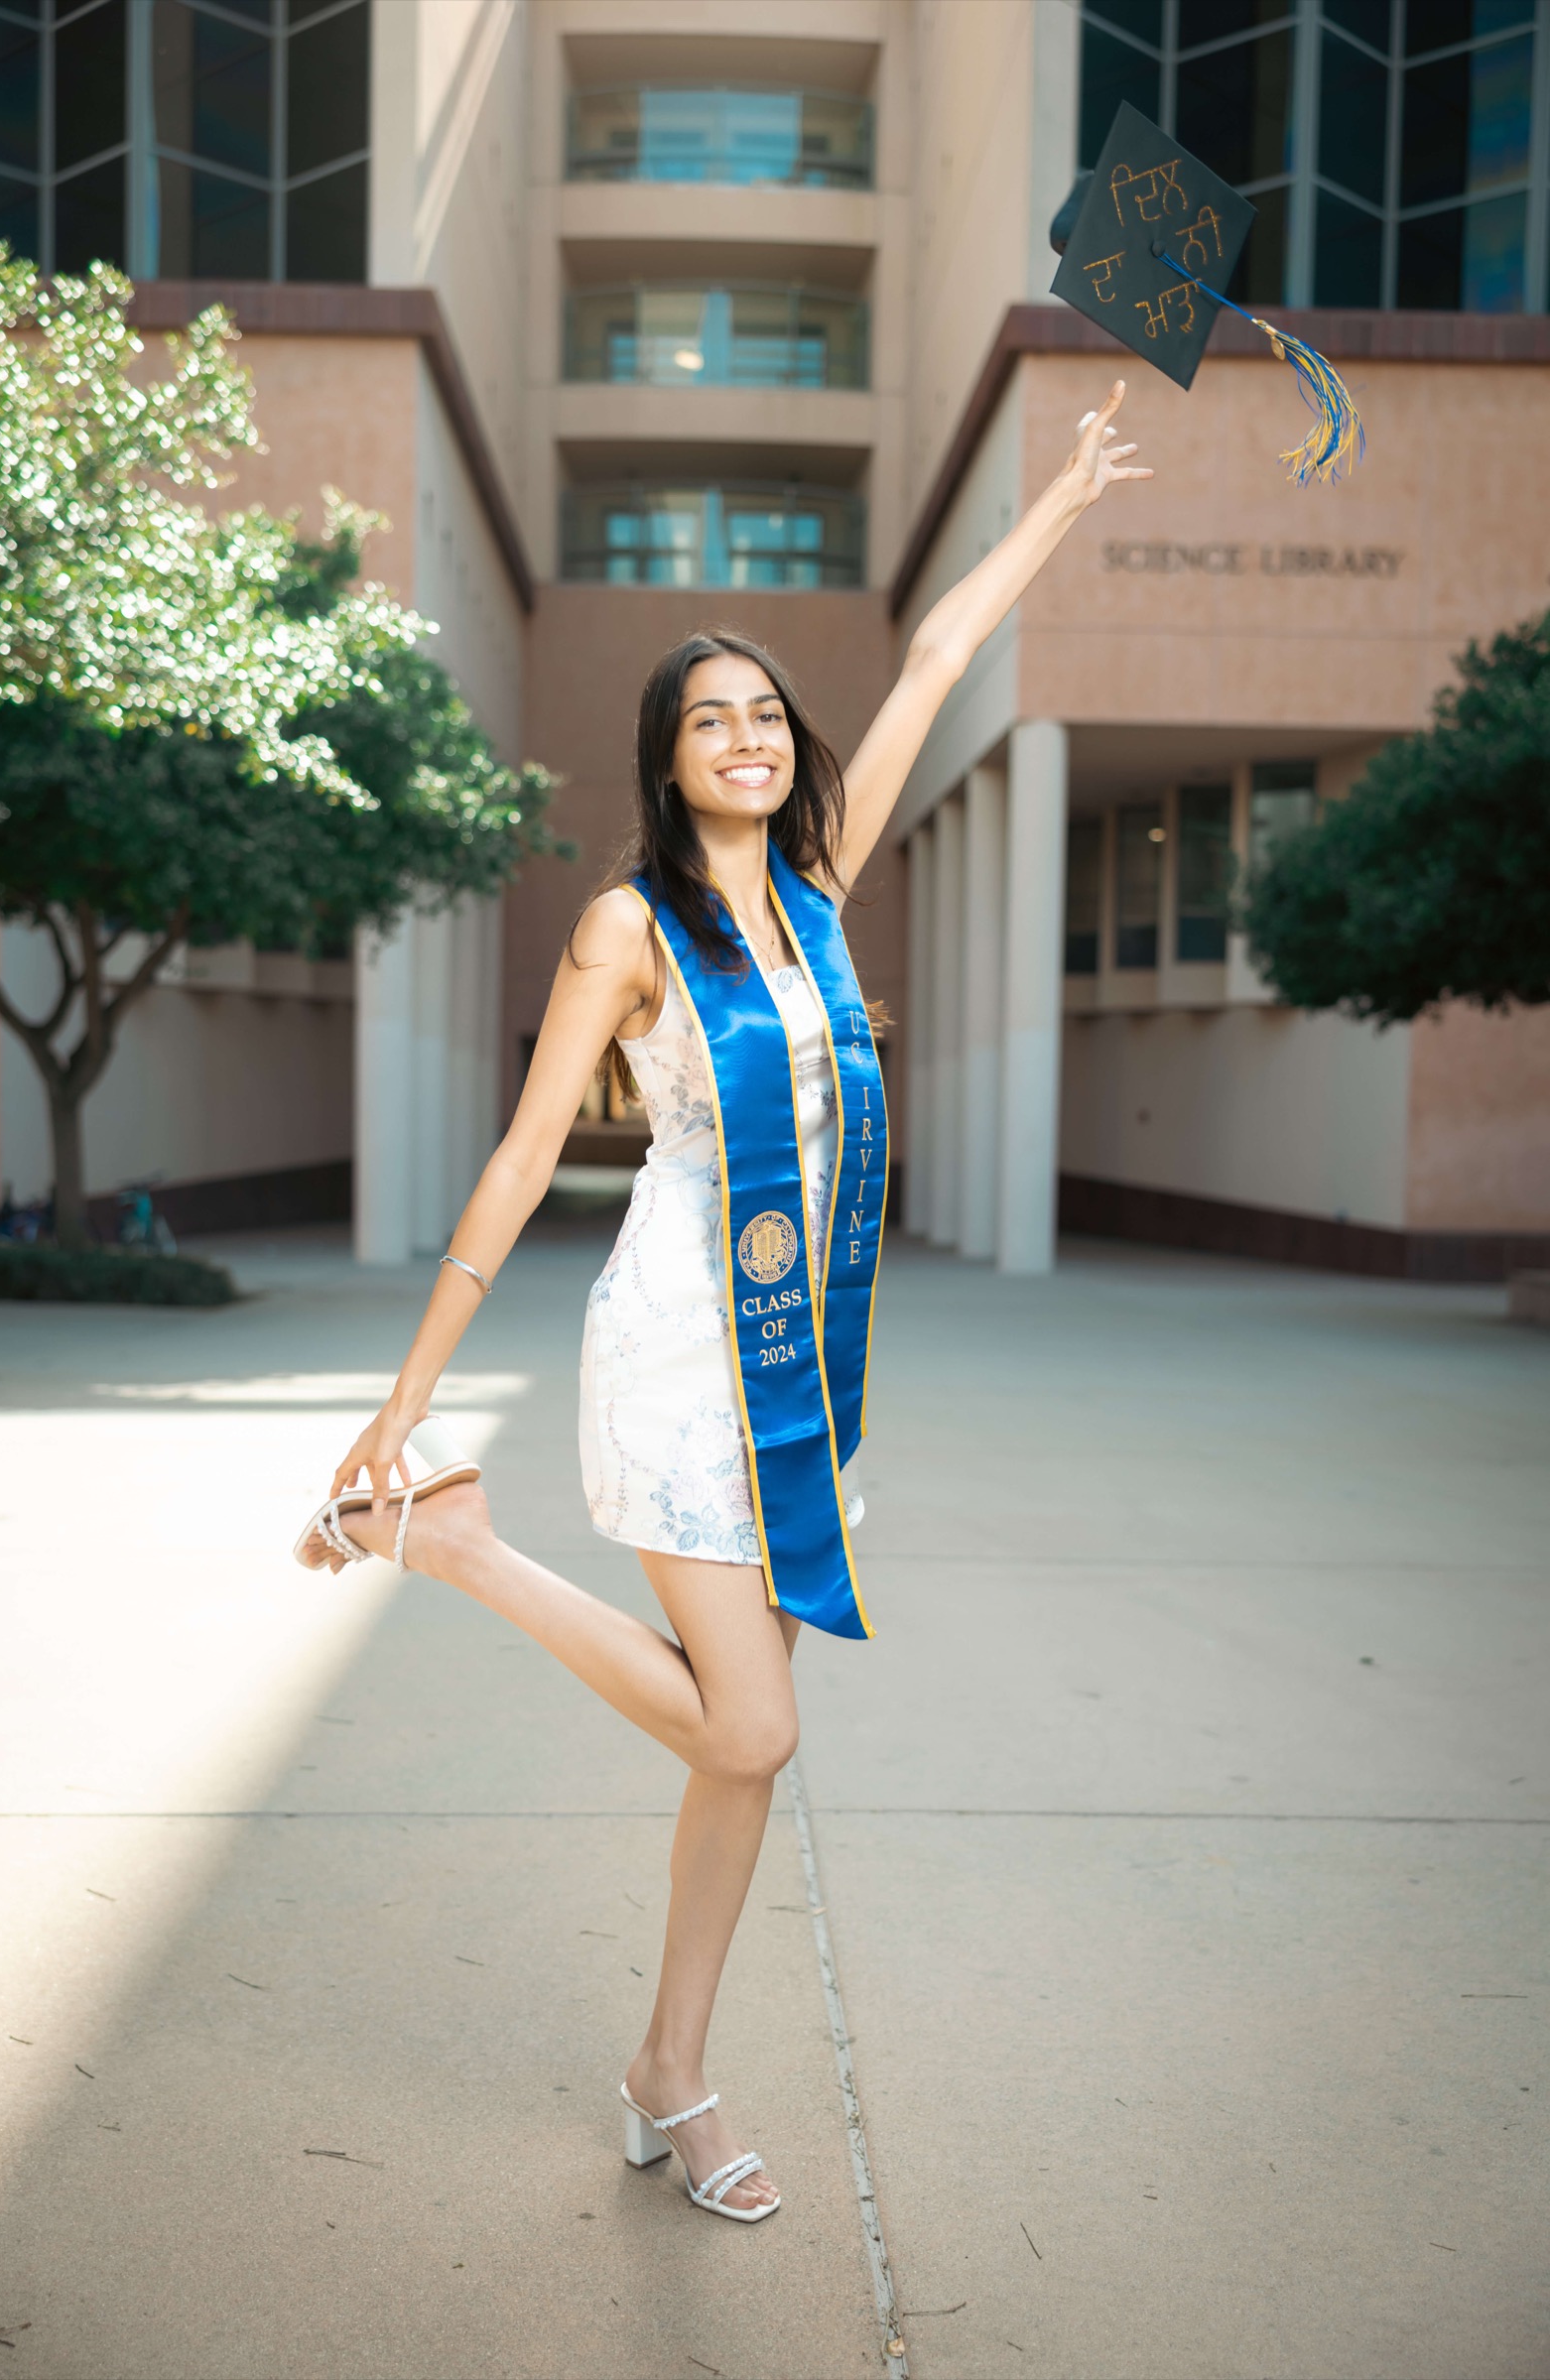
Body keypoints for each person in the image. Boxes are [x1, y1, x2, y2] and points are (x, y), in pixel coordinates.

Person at [295, 384, 1151, 2222]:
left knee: (736, 1763)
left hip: (805, 1365)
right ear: (667, 760)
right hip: (682, 1351)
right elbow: (526, 1163)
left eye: (768, 714)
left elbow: (930, 660)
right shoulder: (630, 928)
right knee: (751, 1728)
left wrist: (1062, 499)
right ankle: (456, 1546)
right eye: (712, 719)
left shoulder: (826, 898)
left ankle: (667, 2068)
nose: (749, 737)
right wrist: (405, 1393)